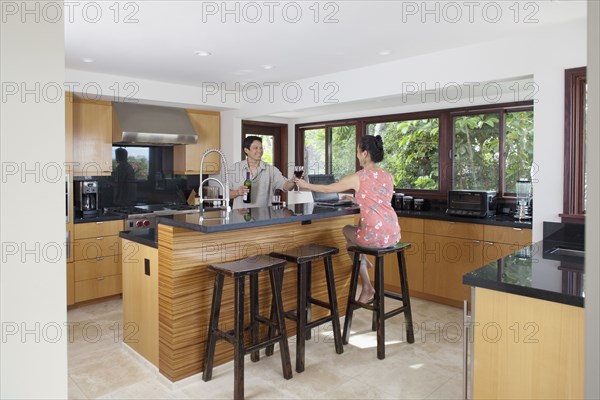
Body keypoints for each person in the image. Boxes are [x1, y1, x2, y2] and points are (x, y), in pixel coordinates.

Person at [295, 135, 400, 303]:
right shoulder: (388, 176)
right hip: (393, 233)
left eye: (358, 152)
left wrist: (306, 185)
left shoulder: (359, 176)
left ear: (365, 153)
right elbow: (378, 200)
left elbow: (328, 189)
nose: (357, 155)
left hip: (374, 236)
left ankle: (366, 284)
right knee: (353, 240)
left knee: (347, 233)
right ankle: (363, 260)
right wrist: (355, 199)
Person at [229, 135, 296, 209]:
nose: (259, 151)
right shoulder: (235, 168)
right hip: (240, 217)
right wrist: (237, 192)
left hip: (264, 217)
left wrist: (294, 180)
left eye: (261, 148)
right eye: (255, 148)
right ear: (246, 150)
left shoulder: (271, 170)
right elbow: (225, 194)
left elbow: (286, 186)